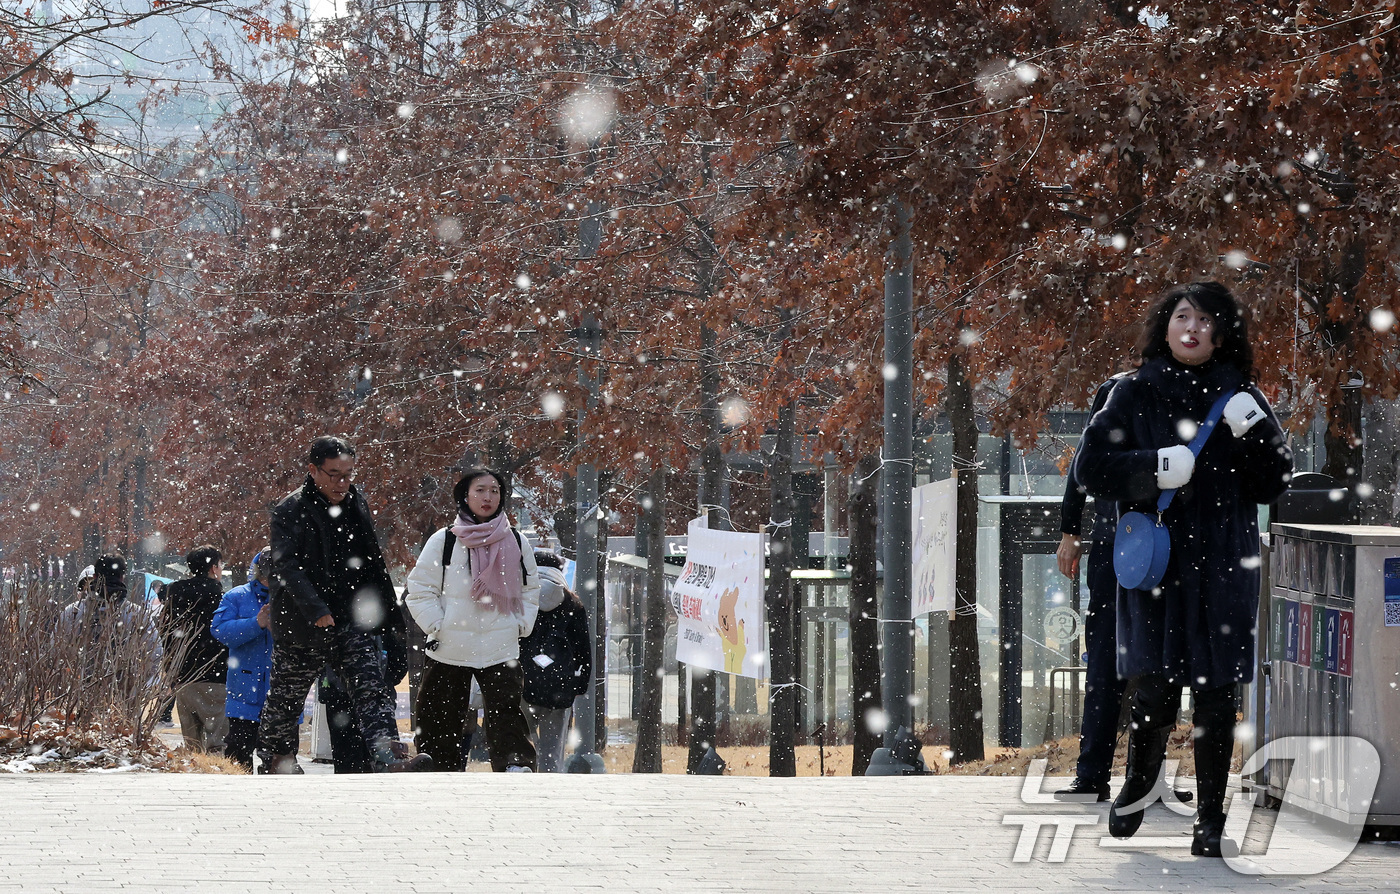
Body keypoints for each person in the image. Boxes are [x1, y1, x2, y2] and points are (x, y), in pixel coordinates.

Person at [1073, 281, 1292, 857]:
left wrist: (1260, 435)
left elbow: (1274, 483)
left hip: (1224, 566)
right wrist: (1151, 469)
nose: (1193, 330)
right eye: (1183, 317)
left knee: (1218, 699)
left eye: (1207, 322)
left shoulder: (1242, 396)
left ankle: (1212, 820)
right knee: (1154, 692)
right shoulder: (1133, 392)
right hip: (1159, 566)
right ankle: (1139, 784)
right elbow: (1091, 470)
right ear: (1165, 326)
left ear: (1224, 334)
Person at [255, 435, 431, 774]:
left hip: (352, 617)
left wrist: (387, 617)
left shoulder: (356, 503)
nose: (342, 482)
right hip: (302, 622)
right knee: (287, 697)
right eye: (334, 474)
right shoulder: (289, 510)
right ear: (313, 470)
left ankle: (387, 756)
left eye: (349, 474)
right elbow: (287, 568)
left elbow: (373, 564)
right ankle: (278, 759)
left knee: (372, 689)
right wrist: (316, 609)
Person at [1055, 375, 1192, 806]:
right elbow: (1085, 463)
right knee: (1114, 659)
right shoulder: (1125, 388)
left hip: (1151, 545)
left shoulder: (1197, 389)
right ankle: (1107, 775)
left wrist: (1071, 528)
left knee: (1148, 664)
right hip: (1131, 546)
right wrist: (1069, 528)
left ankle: (1129, 777)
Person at [405, 467, 541, 772]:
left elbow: (531, 588)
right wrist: (436, 625)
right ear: (465, 496)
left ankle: (514, 766)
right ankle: (438, 768)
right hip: (450, 645)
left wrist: (520, 624)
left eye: (494, 490)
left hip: (499, 644)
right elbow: (419, 589)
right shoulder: (445, 540)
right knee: (439, 713)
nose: (488, 497)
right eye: (480, 490)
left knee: (507, 713)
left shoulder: (516, 540)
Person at [519, 550, 591, 772]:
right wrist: (579, 685)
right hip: (559, 686)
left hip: (524, 681)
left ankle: (522, 788)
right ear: (559, 571)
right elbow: (583, 650)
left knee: (521, 747)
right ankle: (550, 793)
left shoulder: (520, 598)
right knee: (553, 753)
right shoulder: (573, 604)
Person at [159, 545, 231, 754]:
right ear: (214, 568)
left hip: (184, 676)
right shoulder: (222, 598)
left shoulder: (174, 595)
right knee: (218, 744)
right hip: (216, 675)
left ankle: (193, 783)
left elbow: (165, 633)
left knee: (192, 748)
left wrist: (171, 669)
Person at [211, 549, 277, 772]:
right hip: (243, 696)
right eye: (266, 575)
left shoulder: (294, 597)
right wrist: (255, 624)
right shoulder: (236, 596)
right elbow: (220, 631)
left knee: (281, 766)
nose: (269, 581)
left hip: (282, 697)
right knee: (238, 762)